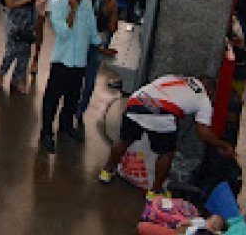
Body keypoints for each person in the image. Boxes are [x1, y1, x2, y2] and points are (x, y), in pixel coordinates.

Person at [99, 75, 236, 200]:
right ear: (210, 90)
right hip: (161, 115)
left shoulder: (173, 78)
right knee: (167, 153)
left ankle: (106, 171)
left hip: (136, 101)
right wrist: (222, 145)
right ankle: (155, 192)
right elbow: (203, 132)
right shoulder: (203, 99)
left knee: (124, 140)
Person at [40, 0, 116, 153]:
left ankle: (65, 125)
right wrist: (72, 10)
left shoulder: (87, 2)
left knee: (73, 97)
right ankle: (46, 132)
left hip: (79, 60)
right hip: (62, 60)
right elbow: (63, 33)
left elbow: (91, 29)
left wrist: (100, 46)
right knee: (53, 98)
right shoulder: (58, 4)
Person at [77, 0, 118, 128]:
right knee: (90, 77)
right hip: (98, 42)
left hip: (81, 40)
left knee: (76, 72)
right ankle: (80, 111)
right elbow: (113, 27)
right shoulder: (111, 3)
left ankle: (70, 104)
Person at [0, 0, 42, 95]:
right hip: (16, 17)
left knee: (25, 51)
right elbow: (10, 3)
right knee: (12, 50)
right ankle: (1, 73)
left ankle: (16, 81)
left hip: (29, 16)